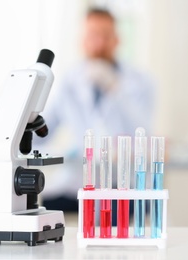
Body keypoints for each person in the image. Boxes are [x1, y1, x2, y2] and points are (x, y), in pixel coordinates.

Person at [34, 8, 155, 215]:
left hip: (121, 181)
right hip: (77, 180)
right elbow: (43, 131)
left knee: (117, 216)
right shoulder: (69, 82)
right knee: (44, 211)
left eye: (105, 36)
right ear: (83, 41)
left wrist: (116, 91)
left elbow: (144, 131)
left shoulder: (140, 82)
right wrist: (21, 129)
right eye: (93, 36)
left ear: (117, 40)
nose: (99, 43)